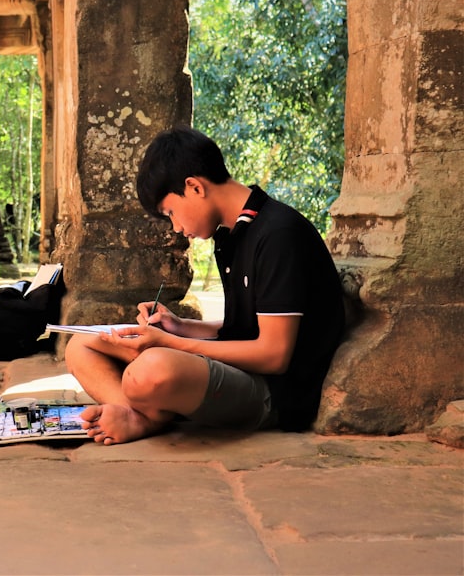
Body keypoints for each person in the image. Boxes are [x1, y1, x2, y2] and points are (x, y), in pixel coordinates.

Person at [66, 125, 345, 445]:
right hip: (233, 370)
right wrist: (179, 325)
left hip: (273, 392)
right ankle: (138, 414)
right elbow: (243, 328)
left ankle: (141, 414)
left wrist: (169, 343)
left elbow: (273, 354)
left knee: (152, 368)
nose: (176, 227)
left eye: (171, 212)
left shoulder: (279, 234)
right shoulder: (230, 236)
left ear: (195, 187)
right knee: (81, 344)